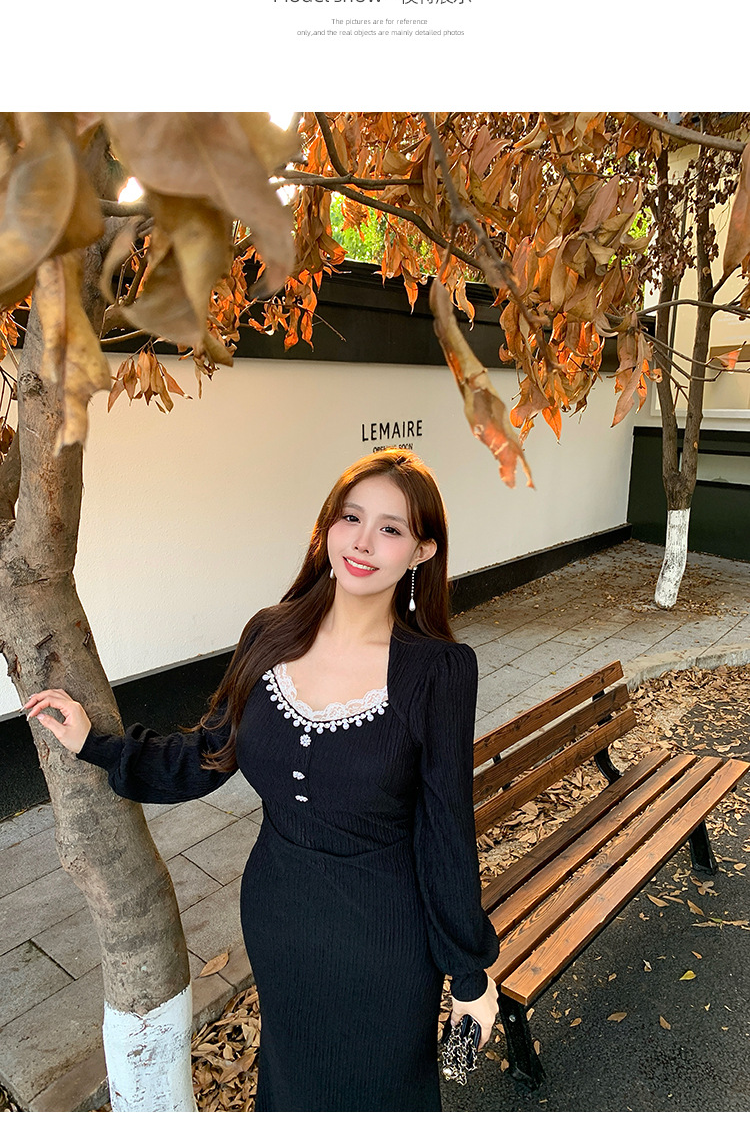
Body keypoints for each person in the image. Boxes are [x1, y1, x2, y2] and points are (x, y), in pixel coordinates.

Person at [24, 448, 500, 1111]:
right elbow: (207, 753)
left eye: (390, 528)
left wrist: (469, 973)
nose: (363, 541)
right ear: (328, 525)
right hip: (280, 918)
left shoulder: (439, 671)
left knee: (384, 1089)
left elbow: (445, 828)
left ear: (422, 552)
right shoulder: (270, 635)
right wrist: (96, 745)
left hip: (385, 936)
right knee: (292, 1086)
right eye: (351, 517)